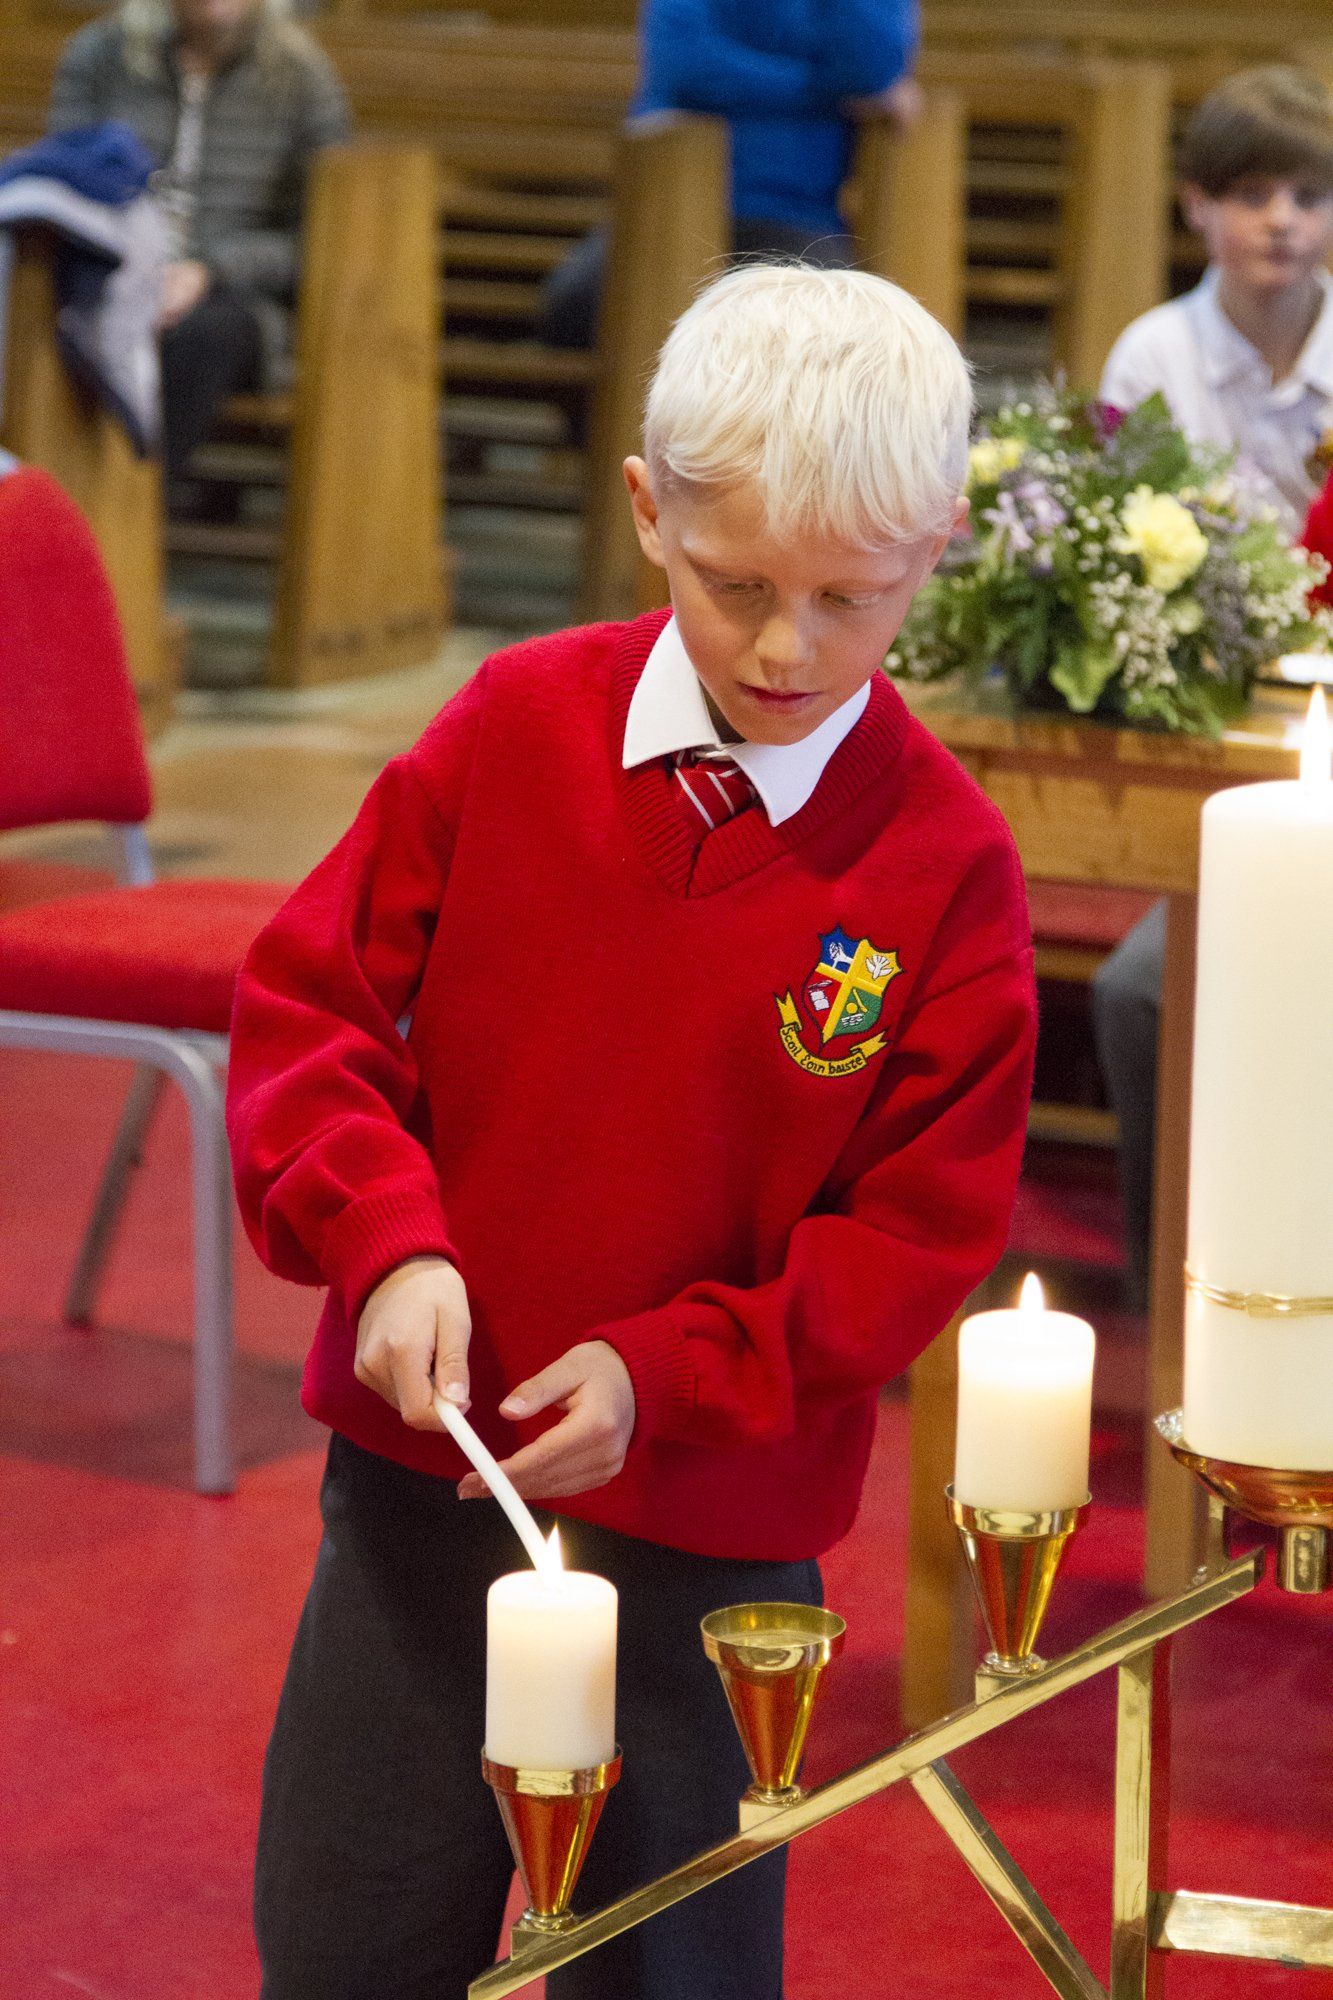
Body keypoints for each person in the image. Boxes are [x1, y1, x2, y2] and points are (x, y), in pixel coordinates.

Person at [226, 264, 1036, 2000]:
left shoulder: (945, 867)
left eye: (846, 599)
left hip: (709, 1541)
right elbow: (311, 1012)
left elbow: (910, 1237)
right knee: (350, 1931)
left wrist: (666, 1376)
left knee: (666, 1964)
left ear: (933, 552)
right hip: (421, 1486)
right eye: (732, 582)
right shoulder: (513, 726)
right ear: (643, 512)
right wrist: (385, 1241)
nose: (780, 649)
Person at [1094, 65, 1333, 1310]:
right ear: (1194, 207)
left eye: (1307, 193)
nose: (1281, 219)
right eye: (1248, 194)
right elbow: (1112, 544)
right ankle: (1166, 1272)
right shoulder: (1154, 353)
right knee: (1142, 987)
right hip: (1205, 737)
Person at [47, 0, 350, 484]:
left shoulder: (300, 77)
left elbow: (325, 236)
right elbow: (62, 182)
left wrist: (209, 271)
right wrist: (132, 268)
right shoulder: (103, 55)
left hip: (234, 298)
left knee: (203, 336)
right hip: (108, 276)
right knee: (55, 320)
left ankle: (139, 513)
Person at [538, 0, 920, 349]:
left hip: (794, 213)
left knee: (832, 337)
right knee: (574, 308)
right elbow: (688, 67)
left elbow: (872, 70)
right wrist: (826, 92)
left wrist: (853, 89)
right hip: (668, 204)